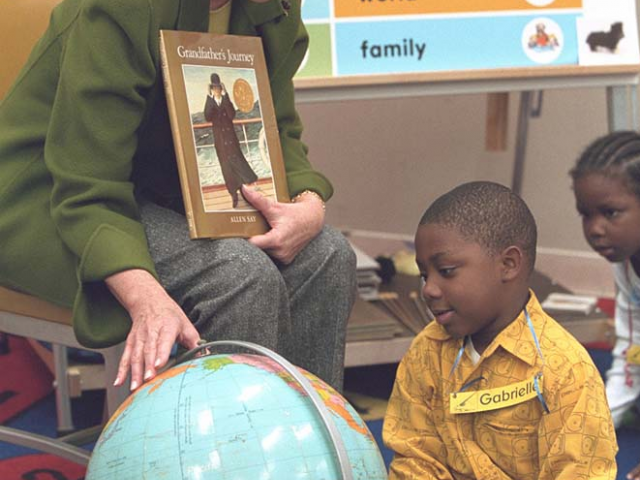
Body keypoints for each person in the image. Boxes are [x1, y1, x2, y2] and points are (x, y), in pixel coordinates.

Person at [0, 0, 356, 393]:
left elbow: (278, 127)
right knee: (237, 275)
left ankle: (310, 444)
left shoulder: (275, 7)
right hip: (47, 198)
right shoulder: (122, 9)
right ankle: (226, 449)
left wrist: (309, 204)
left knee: (327, 254)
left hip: (162, 190)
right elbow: (86, 185)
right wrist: (145, 296)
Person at [383, 181, 617, 479]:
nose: (429, 289)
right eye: (424, 274)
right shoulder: (426, 350)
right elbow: (413, 458)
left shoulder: (565, 370)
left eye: (446, 271)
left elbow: (581, 472)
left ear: (508, 264)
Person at [570, 131, 640, 480]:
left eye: (610, 213)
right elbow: (632, 350)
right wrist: (593, 431)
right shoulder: (625, 263)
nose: (595, 229)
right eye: (585, 214)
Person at [204, 72, 258, 208]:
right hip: (220, 141)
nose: (216, 90)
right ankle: (233, 194)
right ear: (211, 89)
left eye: (218, 88)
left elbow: (231, 114)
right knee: (226, 168)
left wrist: (227, 96)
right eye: (214, 88)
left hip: (231, 138)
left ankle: (245, 191)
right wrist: (209, 98)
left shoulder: (226, 100)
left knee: (238, 161)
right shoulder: (210, 102)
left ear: (221, 89)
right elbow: (207, 117)